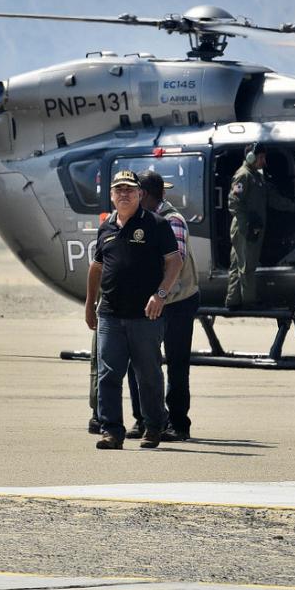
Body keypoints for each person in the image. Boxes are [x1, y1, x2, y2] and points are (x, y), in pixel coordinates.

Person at [84, 170, 183, 449]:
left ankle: (153, 427)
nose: (124, 194)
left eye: (130, 189)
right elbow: (97, 267)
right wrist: (90, 303)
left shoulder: (156, 224)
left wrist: (161, 294)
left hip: (145, 315)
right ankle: (111, 430)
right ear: (112, 196)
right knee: (108, 373)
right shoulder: (106, 228)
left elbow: (174, 262)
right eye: (119, 190)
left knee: (148, 374)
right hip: (110, 314)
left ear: (140, 194)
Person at [136, 169, 199, 442]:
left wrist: (159, 294)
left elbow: (176, 263)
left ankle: (178, 424)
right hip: (156, 300)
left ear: (146, 195)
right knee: (143, 362)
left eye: (137, 193)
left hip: (177, 301)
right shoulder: (144, 219)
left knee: (176, 363)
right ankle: (148, 420)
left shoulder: (171, 220)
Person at [226, 142, 295, 308]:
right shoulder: (243, 175)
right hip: (246, 228)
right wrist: (246, 227)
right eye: (261, 157)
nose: (264, 161)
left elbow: (273, 199)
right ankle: (249, 301)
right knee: (247, 265)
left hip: (251, 228)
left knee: (238, 264)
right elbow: (234, 203)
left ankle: (233, 300)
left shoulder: (257, 177)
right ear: (250, 157)